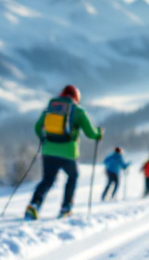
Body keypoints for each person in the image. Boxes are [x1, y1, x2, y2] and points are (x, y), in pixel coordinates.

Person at [25, 85, 102, 219]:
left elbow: (38, 127)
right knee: (72, 177)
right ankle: (66, 207)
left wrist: (44, 140)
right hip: (68, 152)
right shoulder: (78, 111)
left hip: (48, 151)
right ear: (76, 97)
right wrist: (98, 134)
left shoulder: (50, 109)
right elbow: (90, 133)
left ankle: (34, 205)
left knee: (47, 180)